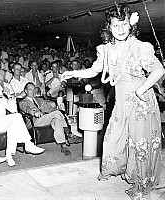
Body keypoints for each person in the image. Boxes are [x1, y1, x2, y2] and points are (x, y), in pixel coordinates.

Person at [61, 4, 165, 199]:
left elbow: (159, 70)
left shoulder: (138, 46)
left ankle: (142, 186)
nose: (121, 29)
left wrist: (142, 88)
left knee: (139, 143)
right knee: (112, 138)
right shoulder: (105, 50)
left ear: (129, 25)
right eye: (116, 25)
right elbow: (94, 71)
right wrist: (73, 73)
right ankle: (118, 169)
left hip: (141, 101)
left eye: (124, 24)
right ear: (109, 27)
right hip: (121, 102)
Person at [0, 83, 45, 167]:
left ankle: (9, 155)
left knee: (12, 127)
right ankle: (28, 143)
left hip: (3, 123)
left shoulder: (2, 100)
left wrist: (9, 98)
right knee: (17, 116)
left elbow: (13, 110)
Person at [19, 82, 83, 156]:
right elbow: (27, 109)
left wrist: (58, 110)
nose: (33, 92)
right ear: (26, 91)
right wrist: (34, 112)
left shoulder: (39, 100)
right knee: (57, 114)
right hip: (34, 121)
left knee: (57, 119)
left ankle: (63, 145)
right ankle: (69, 134)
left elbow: (50, 109)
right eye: (30, 90)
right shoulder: (22, 102)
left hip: (45, 119)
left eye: (34, 90)